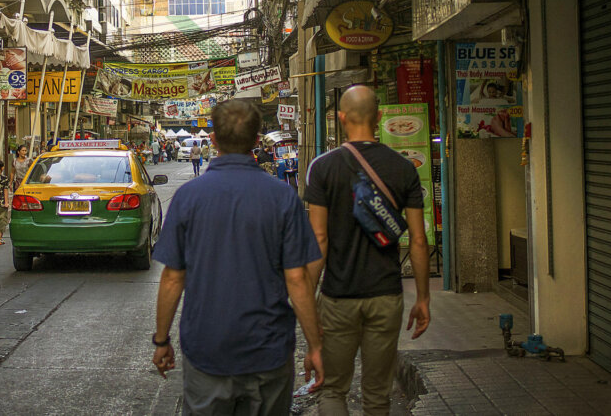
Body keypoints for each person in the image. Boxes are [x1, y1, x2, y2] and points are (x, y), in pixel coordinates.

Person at [151, 99, 324, 414]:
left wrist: (161, 340)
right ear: (257, 141)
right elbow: (297, 278)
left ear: (213, 140)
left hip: (207, 349)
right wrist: (315, 345)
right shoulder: (282, 197)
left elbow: (173, 277)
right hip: (268, 350)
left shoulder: (189, 197)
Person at [303, 85, 430, 416]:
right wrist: (423, 298)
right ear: (379, 117)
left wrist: (307, 296)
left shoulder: (323, 167)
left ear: (342, 118)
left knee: (332, 390)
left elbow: (319, 239)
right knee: (377, 395)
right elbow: (417, 239)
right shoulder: (404, 168)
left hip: (338, 296)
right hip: (386, 296)